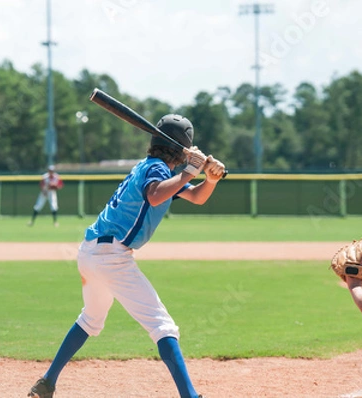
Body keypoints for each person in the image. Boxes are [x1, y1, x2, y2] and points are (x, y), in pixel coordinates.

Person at [27, 114, 225, 398]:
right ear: (182, 148)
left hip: (91, 251)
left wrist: (211, 178)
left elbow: (197, 196)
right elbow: (156, 196)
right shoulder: (157, 169)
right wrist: (190, 170)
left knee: (91, 320)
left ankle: (47, 382)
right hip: (111, 255)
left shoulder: (153, 168)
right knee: (162, 325)